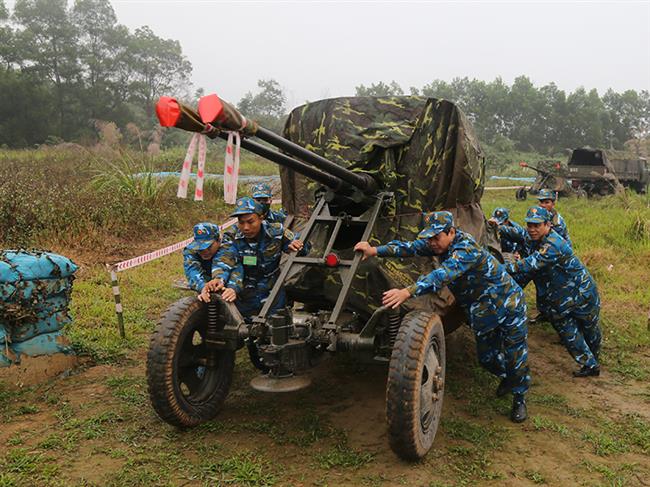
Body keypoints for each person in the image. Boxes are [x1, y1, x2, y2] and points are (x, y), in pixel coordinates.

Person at [354, 211, 530, 423]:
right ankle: (510, 377)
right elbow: (409, 247)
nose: (432, 243)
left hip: (508, 304)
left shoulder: (466, 249)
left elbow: (442, 275)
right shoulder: (437, 243)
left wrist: (407, 291)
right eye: (429, 238)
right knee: (487, 359)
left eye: (436, 237)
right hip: (482, 309)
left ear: (451, 232)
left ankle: (519, 397)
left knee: (515, 355)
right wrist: (374, 250)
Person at [504, 206, 602, 377]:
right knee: (567, 331)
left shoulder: (554, 244)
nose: (532, 229)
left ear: (548, 225)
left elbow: (530, 264)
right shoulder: (533, 238)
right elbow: (516, 234)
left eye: (537, 225)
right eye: (530, 225)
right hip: (560, 297)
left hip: (581, 293)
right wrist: (496, 227)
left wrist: (499, 268)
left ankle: (594, 356)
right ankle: (590, 364)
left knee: (590, 328)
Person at [212, 197, 307, 319]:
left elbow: (304, 248)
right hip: (244, 295)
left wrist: (296, 245)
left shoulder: (276, 231)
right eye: (241, 222)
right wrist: (219, 279)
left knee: (277, 331)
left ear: (261, 218)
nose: (246, 227)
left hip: (273, 294)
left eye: (250, 222)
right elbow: (224, 258)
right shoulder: (232, 236)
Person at [183, 222, 239, 303]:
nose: (204, 251)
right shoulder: (191, 250)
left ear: (218, 241)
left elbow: (223, 265)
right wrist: (202, 286)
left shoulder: (227, 246)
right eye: (200, 248)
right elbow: (192, 270)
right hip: (207, 280)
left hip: (227, 280)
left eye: (208, 247)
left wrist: (231, 286)